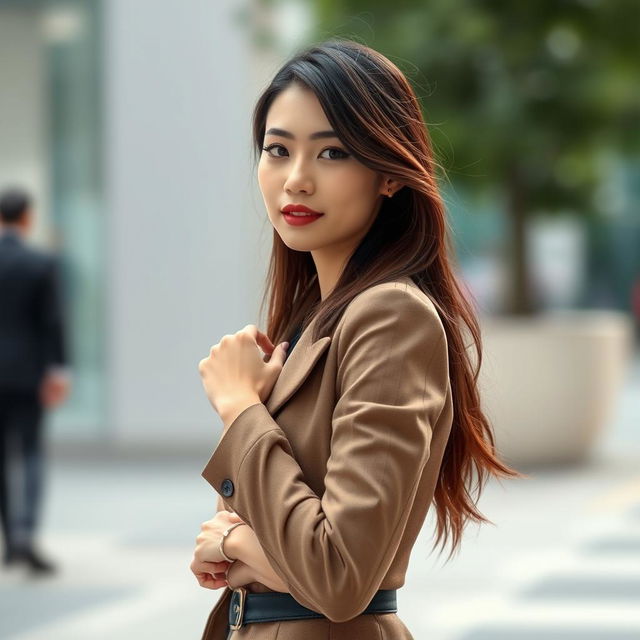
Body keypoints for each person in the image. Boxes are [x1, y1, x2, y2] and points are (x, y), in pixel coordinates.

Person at [190, 39, 525, 639]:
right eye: (277, 150)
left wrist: (240, 410)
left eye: (333, 152)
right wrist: (234, 542)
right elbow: (293, 548)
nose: (296, 180)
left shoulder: (391, 316)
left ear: (390, 176)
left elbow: (339, 575)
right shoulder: (311, 322)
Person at [0, 187, 71, 574]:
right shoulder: (40, 263)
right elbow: (52, 324)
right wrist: (58, 370)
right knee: (28, 454)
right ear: (27, 218)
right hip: (28, 375)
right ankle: (26, 534)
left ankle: (10, 543)